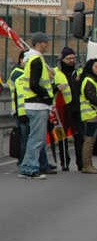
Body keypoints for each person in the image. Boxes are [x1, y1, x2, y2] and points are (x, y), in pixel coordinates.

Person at [18, 32, 55, 179]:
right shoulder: (37, 60)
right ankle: (30, 168)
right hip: (38, 105)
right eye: (46, 42)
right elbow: (34, 84)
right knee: (37, 139)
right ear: (40, 43)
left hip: (31, 103)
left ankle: (27, 166)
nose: (47, 45)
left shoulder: (30, 59)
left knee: (33, 138)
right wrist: (45, 95)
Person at [55, 47, 82, 171]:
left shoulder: (78, 72)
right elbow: (50, 89)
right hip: (61, 110)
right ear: (62, 59)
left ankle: (81, 163)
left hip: (77, 108)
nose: (72, 60)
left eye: (73, 58)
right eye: (69, 58)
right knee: (61, 137)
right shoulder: (55, 72)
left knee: (79, 136)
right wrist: (57, 87)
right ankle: (64, 163)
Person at [78, 58, 97, 174]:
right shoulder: (89, 81)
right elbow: (92, 98)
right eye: (96, 66)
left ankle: (88, 164)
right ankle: (87, 165)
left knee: (91, 140)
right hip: (89, 114)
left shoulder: (94, 80)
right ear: (90, 67)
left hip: (93, 114)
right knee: (89, 140)